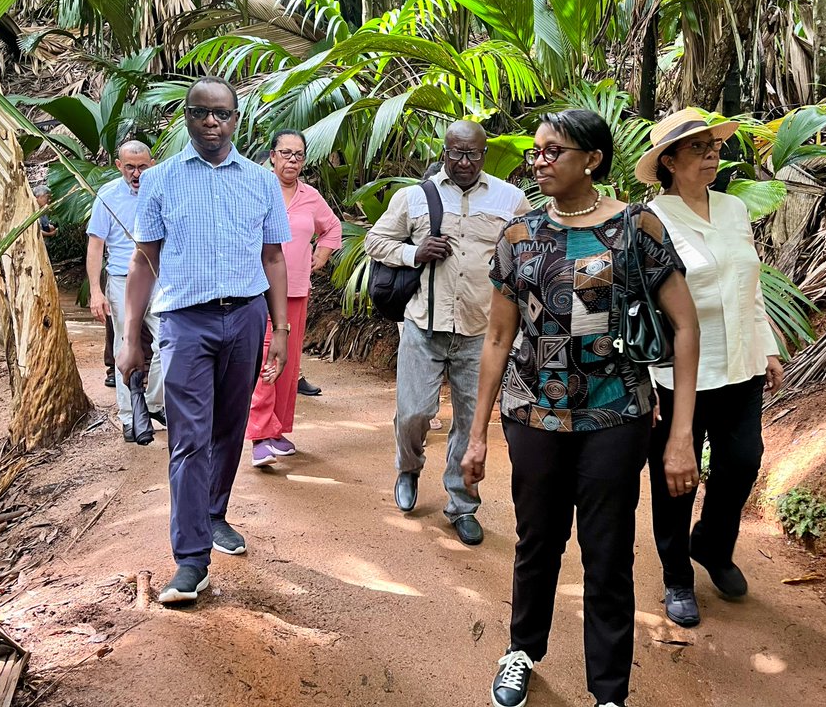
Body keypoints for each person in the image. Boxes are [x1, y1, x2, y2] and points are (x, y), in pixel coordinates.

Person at [461, 108, 700, 707]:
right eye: (536, 152)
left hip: (616, 416)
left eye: (552, 151)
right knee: (537, 538)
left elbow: (686, 323)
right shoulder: (520, 235)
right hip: (534, 414)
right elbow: (497, 338)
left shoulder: (637, 228)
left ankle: (610, 693)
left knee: (608, 547)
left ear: (591, 159)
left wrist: (680, 435)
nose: (537, 161)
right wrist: (477, 433)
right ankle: (521, 650)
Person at [117, 76, 291, 606]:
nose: (211, 122)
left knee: (229, 428)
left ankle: (214, 514)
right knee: (188, 438)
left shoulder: (262, 182)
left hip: (244, 318)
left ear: (237, 119)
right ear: (186, 118)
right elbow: (143, 263)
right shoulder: (161, 180)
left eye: (221, 114)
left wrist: (279, 332)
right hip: (185, 323)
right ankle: (190, 561)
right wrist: (130, 338)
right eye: (200, 113)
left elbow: (274, 258)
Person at [634, 108, 784, 628]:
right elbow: (636, 302)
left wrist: (766, 346)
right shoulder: (650, 220)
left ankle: (713, 547)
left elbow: (752, 286)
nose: (711, 156)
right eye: (697, 149)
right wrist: (642, 380)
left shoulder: (734, 208)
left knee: (743, 460)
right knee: (674, 477)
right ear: (669, 162)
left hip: (739, 363)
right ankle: (676, 574)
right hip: (676, 374)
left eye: (713, 147)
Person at [365, 121, 531, 546]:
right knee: (415, 413)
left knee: (470, 422)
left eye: (471, 154)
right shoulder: (415, 197)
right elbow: (375, 241)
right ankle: (409, 465)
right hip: (424, 324)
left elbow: (529, 254)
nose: (463, 162)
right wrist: (412, 252)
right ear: (444, 151)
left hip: (480, 331)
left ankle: (462, 504)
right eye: (455, 153)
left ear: (483, 153)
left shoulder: (510, 200)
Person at [248, 129, 342, 466]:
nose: (292, 160)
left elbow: (332, 228)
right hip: (258, 288)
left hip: (297, 290)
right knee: (266, 359)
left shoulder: (311, 196)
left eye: (298, 154)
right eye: (285, 153)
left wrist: (322, 254)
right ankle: (259, 434)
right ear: (272, 155)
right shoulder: (256, 188)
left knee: (288, 365)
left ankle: (277, 429)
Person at [87, 140, 165, 441]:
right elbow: (96, 245)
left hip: (158, 279)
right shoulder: (107, 196)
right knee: (124, 346)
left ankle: (154, 403)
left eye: (142, 166)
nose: (136, 173)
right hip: (120, 279)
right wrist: (96, 290)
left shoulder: (160, 191)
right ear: (119, 165)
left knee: (168, 342)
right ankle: (129, 417)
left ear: (152, 163)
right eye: (129, 167)